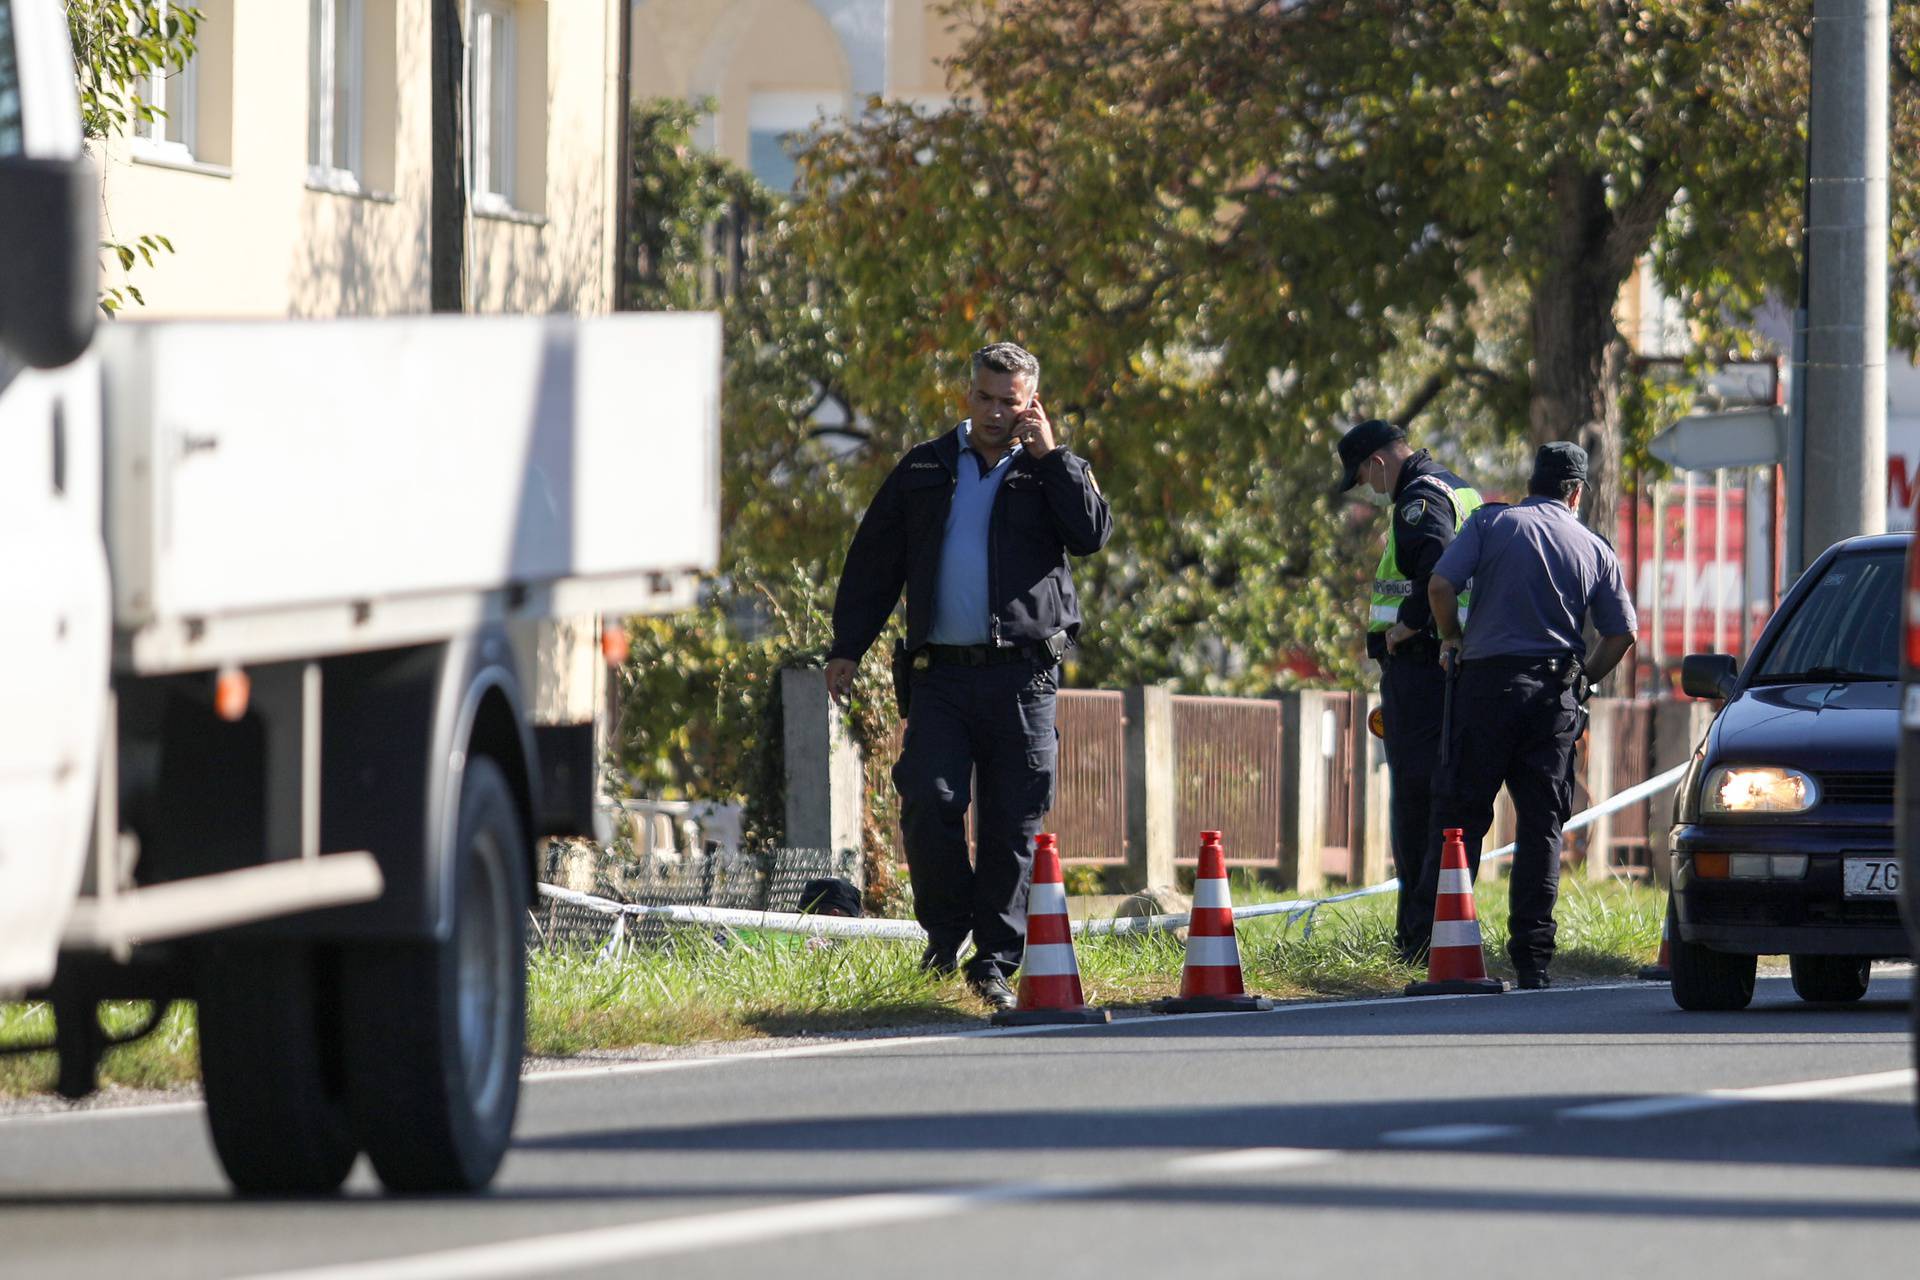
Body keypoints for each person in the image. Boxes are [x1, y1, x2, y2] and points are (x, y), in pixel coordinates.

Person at [823, 342, 1112, 1010]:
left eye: (1007, 402)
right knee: (929, 798)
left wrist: (1051, 457)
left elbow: (1091, 533)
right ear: (968, 394)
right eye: (982, 397)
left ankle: (995, 962)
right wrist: (848, 646)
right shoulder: (925, 465)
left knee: (1014, 823)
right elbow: (874, 561)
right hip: (941, 678)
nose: (991, 412)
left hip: (1024, 678)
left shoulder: (1053, 470)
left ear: (1031, 402)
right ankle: (944, 936)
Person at [1422, 441, 1637, 989]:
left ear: (1532, 481)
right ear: (1577, 492)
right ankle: (1533, 961)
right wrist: (1585, 677)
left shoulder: (1492, 524)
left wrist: (1452, 637)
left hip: (1485, 687)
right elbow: (1623, 633)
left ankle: (1448, 950)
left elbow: (1441, 584)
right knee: (1542, 827)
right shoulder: (1593, 546)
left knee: (1462, 820)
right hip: (1552, 697)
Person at [1335, 418, 1483, 964]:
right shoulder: (1458, 487)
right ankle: (1445, 927)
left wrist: (1412, 623)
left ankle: (1417, 938)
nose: (1371, 489)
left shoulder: (1418, 499)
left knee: (1416, 803)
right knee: (1450, 799)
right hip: (1453, 667)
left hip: (1422, 670)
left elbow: (1437, 563)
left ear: (1377, 461)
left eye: (1365, 477)